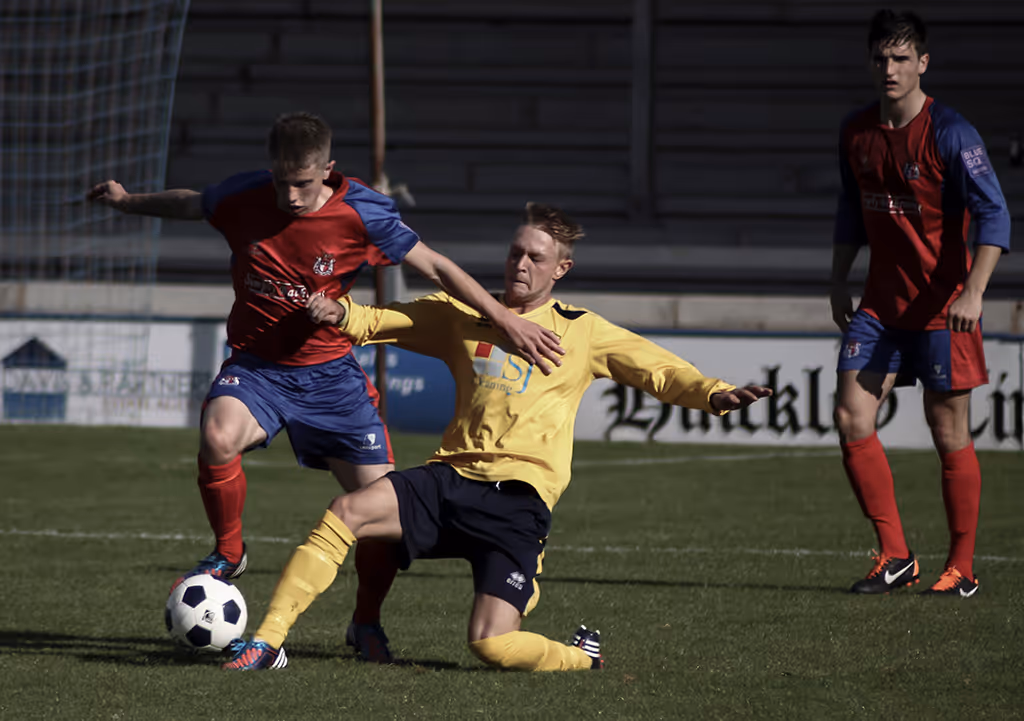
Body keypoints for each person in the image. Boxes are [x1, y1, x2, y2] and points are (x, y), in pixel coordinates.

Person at [222, 202, 772, 671]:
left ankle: (581, 657)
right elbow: (378, 321)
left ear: (561, 268)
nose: (521, 264)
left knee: (491, 645)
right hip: (451, 476)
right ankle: (268, 641)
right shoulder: (463, 313)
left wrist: (713, 393)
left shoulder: (583, 330)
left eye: (536, 257)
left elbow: (659, 370)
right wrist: (336, 310)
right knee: (349, 511)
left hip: (519, 503)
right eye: (515, 253)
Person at [86, 113, 565, 644]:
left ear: (328, 169)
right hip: (258, 369)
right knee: (218, 435)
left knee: (381, 513)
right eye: (281, 181)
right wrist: (128, 201)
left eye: (302, 183)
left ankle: (365, 624)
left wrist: (504, 320)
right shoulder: (243, 196)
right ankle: (229, 551)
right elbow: (192, 203)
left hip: (332, 380)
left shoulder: (362, 211)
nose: (290, 196)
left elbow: (436, 267)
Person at [830, 10, 1011, 596]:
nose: (890, 68)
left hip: (942, 306)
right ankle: (895, 557)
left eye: (902, 58)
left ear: (923, 63)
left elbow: (995, 214)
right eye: (882, 57)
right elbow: (850, 211)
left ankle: (962, 568)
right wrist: (838, 280)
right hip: (881, 306)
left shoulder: (951, 133)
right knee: (850, 416)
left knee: (946, 428)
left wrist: (974, 291)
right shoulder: (855, 132)